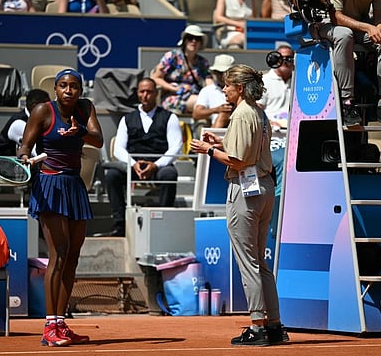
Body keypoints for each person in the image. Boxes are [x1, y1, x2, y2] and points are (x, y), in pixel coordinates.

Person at [190, 64, 286, 346]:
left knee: (249, 262)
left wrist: (209, 150)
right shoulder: (258, 111)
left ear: (240, 88)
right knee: (260, 262)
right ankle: (275, 325)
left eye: (227, 85)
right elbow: (248, 147)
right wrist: (219, 140)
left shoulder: (243, 113)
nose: (223, 90)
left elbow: (239, 160)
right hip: (264, 187)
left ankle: (257, 326)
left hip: (246, 190)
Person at [17, 69, 103, 347]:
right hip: (50, 185)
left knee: (73, 257)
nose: (69, 90)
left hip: (74, 186)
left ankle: (61, 324)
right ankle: (49, 326)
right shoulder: (43, 111)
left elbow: (98, 140)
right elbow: (24, 147)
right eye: (63, 86)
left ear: (80, 90)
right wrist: (26, 157)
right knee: (59, 253)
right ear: (55, 89)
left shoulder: (86, 108)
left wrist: (81, 133)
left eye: (74, 86)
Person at [103, 77, 183, 237]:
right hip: (134, 165)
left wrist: (156, 165)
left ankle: (163, 224)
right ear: (138, 93)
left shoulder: (170, 117)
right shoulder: (127, 119)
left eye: (149, 92)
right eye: (142, 91)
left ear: (156, 94)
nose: (145, 95)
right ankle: (120, 224)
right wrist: (133, 164)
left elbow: (176, 147)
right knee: (112, 176)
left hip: (158, 166)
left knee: (170, 175)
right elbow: (118, 149)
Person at [318, 0, 381, 127]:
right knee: (344, 35)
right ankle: (347, 103)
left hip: (360, 23)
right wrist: (368, 28)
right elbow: (336, 17)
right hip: (328, 22)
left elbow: (380, 14)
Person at [0, 89, 50, 206]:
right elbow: (34, 151)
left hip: (20, 164)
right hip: (4, 164)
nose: (50, 110)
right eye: (47, 106)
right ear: (35, 106)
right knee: (44, 170)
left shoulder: (38, 121)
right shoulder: (19, 123)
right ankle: (39, 209)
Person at [151, 25, 212, 115]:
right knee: (204, 105)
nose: (194, 41)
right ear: (184, 41)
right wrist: (175, 89)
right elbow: (155, 78)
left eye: (197, 39)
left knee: (210, 104)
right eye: (190, 38)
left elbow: (209, 81)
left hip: (196, 95)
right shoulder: (172, 56)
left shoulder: (202, 62)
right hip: (174, 97)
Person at [193, 54, 235, 130]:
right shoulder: (207, 90)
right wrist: (216, 110)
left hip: (236, 124)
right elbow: (196, 114)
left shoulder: (239, 88)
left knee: (224, 114)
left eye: (224, 72)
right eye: (218, 72)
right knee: (223, 114)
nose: (221, 75)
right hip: (217, 125)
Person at [258, 43, 294, 129]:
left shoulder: (298, 82)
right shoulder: (264, 81)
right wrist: (269, 123)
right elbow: (257, 108)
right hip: (271, 130)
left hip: (293, 129)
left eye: (289, 58)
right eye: (280, 58)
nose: (284, 62)